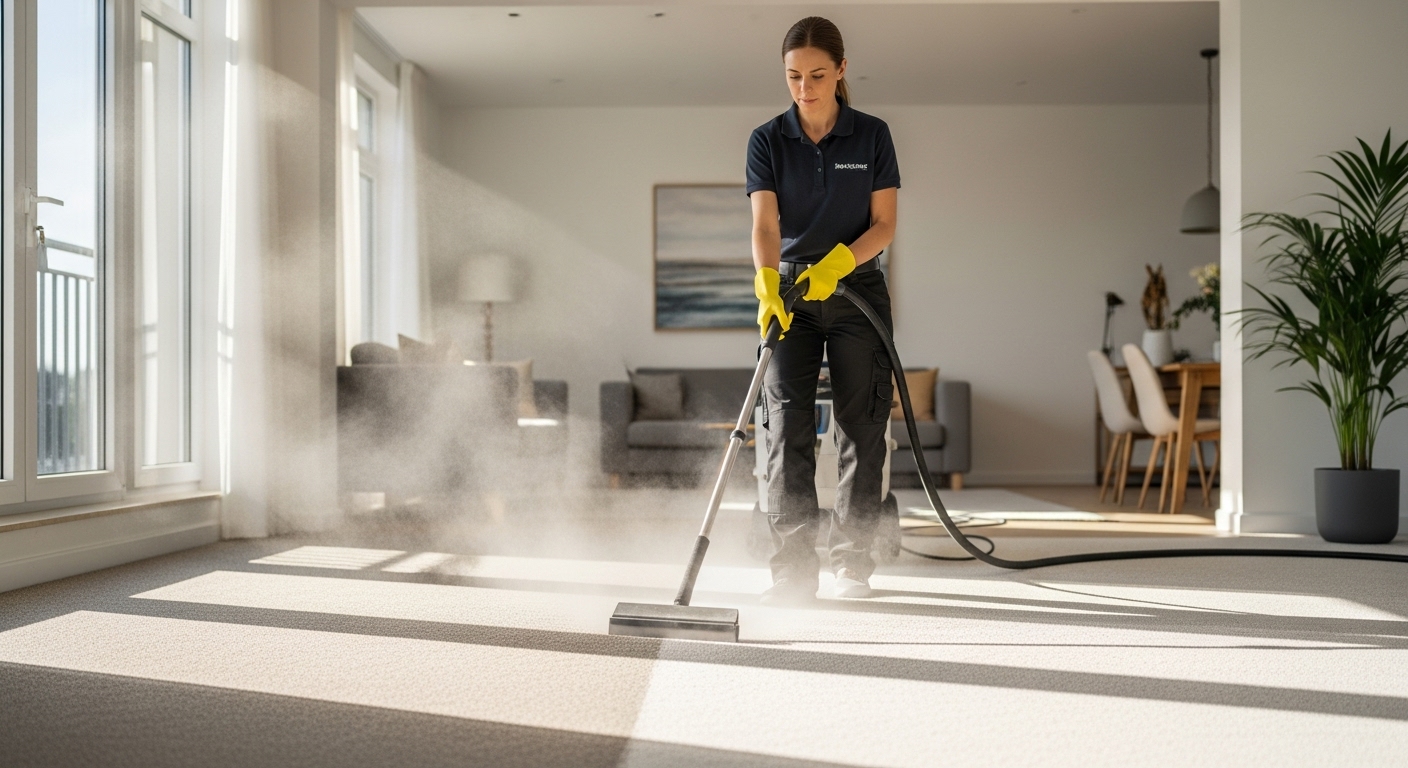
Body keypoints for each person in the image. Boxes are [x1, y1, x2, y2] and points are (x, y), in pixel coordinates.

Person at [747, 16, 900, 605]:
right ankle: (791, 571)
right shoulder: (767, 140)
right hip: (791, 296)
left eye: (816, 75)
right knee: (787, 429)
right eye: (792, 77)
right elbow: (765, 223)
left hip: (857, 291)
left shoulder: (873, 135)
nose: (804, 89)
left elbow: (884, 225)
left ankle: (852, 565)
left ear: (840, 69)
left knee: (862, 425)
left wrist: (837, 264)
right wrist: (766, 283)